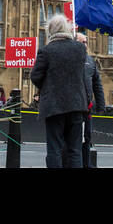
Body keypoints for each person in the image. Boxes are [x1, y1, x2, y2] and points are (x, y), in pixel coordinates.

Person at [29, 14, 90, 168]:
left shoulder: (46, 50)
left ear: (50, 31)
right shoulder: (80, 49)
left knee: (54, 149)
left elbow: (35, 76)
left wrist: (49, 86)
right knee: (75, 150)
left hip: (54, 107)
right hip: (76, 105)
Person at [78, 32, 105, 168]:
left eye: (86, 42)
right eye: (82, 42)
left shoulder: (90, 61)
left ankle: (87, 164)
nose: (85, 44)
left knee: (87, 139)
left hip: (86, 108)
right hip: (72, 107)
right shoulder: (70, 59)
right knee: (73, 141)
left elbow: (97, 84)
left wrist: (101, 105)